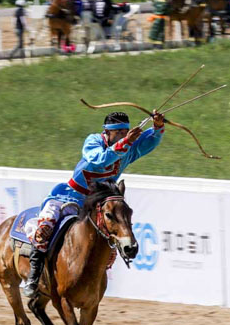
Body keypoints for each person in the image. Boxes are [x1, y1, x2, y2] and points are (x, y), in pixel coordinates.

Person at [22, 110, 166, 298]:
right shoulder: (94, 141)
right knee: (44, 230)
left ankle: (94, 280)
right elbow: (98, 159)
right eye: (119, 132)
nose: (123, 135)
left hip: (95, 204)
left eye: (126, 132)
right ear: (107, 131)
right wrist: (127, 141)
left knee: (112, 237)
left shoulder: (127, 149)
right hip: (68, 197)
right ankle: (34, 277)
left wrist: (157, 126)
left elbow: (147, 143)